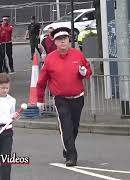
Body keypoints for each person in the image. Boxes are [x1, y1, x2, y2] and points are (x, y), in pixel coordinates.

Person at [36, 27, 92, 167]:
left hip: (78, 97)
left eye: (65, 39)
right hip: (60, 99)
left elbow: (88, 70)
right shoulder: (50, 58)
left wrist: (85, 72)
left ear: (69, 40)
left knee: (74, 127)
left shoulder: (77, 55)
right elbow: (41, 81)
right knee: (66, 127)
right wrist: (39, 100)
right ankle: (72, 156)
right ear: (54, 42)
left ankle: (67, 146)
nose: (62, 42)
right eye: (59, 40)